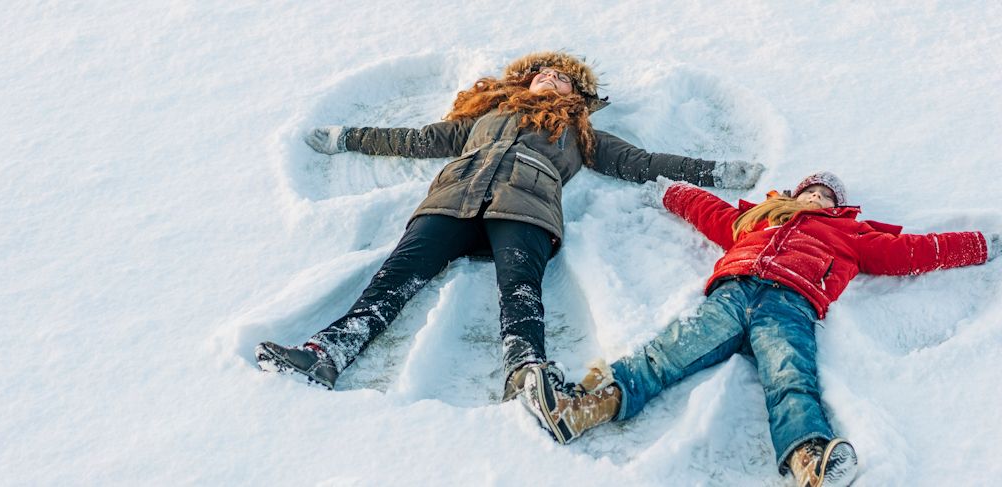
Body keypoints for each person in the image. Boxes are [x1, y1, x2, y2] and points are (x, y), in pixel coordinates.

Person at [254, 51, 765, 399]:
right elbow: (414, 139)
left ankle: (525, 371)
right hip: (453, 197)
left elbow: (644, 161)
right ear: (526, 79)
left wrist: (713, 172)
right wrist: (347, 137)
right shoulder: (484, 117)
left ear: (576, 93)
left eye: (562, 77)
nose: (550, 77)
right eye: (542, 72)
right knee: (396, 275)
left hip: (528, 205)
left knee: (520, 288)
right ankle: (327, 352)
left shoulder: (579, 131)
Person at [518, 172, 1002, 487]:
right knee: (666, 353)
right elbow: (709, 211)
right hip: (732, 295)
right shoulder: (759, 219)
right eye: (811, 190)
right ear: (797, 193)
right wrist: (669, 191)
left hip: (791, 305)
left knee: (790, 377)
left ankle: (810, 463)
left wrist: (977, 245)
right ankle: (580, 408)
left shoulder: (854, 235)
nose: (817, 197)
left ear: (837, 206)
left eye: (826, 195)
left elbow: (914, 252)